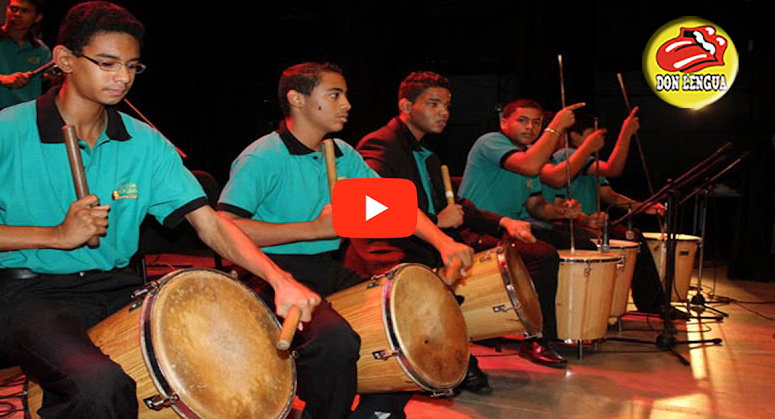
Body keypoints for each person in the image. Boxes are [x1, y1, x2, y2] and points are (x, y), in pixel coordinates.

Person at [0, 3, 318, 417]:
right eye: (107, 63)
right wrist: (54, 235)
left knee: (211, 365)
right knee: (102, 387)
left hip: (116, 287)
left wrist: (278, 279)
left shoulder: (144, 142)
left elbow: (210, 224)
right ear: (64, 59)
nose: (122, 78)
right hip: (29, 293)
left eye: (132, 66)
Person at [217, 62, 473, 419]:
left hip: (323, 266)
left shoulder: (341, 153)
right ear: (297, 99)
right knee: (335, 339)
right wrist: (311, 229)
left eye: (346, 95)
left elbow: (393, 208)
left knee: (401, 320)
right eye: (334, 95)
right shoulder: (263, 156)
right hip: (266, 271)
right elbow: (224, 226)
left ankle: (377, 412)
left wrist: (443, 242)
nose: (347, 104)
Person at [347, 71, 567, 373]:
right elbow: (374, 208)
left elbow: (458, 206)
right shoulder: (379, 146)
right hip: (393, 249)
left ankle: (534, 338)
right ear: (407, 107)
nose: (444, 113)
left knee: (540, 253)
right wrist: (437, 221)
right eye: (434, 104)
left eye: (447, 106)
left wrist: (504, 222)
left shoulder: (426, 154)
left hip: (431, 243)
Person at [541, 109, 671, 315]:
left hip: (589, 222)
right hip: (574, 224)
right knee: (628, 240)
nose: (598, 139)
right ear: (573, 136)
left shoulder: (586, 162)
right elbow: (614, 168)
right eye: (592, 135)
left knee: (631, 237)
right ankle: (647, 304)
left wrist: (643, 206)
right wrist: (625, 134)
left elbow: (610, 195)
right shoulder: (567, 154)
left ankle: (643, 304)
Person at [458, 99, 596, 250]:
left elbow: (536, 206)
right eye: (522, 121)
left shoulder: (530, 156)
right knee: (543, 254)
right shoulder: (490, 141)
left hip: (512, 228)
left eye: (536, 123)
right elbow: (528, 166)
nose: (530, 127)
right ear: (504, 123)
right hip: (479, 228)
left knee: (584, 243)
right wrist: (556, 126)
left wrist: (563, 211)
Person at [0, 0, 52, 120]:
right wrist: (3, 79)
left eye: (24, 11)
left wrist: (52, 77)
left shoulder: (40, 49)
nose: (17, 14)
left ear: (37, 18)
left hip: (27, 113)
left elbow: (48, 78)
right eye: (14, 9)